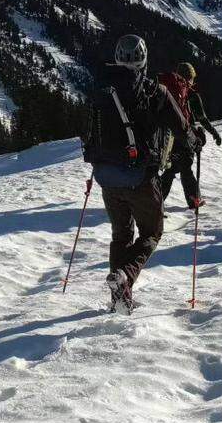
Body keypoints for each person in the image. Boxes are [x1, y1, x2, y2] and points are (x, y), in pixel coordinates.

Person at [82, 34, 193, 310]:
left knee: (121, 236)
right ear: (144, 61)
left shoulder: (102, 89)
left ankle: (119, 299)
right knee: (152, 233)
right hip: (140, 177)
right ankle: (125, 277)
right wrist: (195, 141)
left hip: (107, 177)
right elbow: (182, 129)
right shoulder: (155, 92)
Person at [159, 61, 222, 208]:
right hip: (184, 136)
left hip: (167, 137)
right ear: (190, 78)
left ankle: (156, 202)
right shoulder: (191, 95)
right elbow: (202, 118)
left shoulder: (167, 90)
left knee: (170, 169)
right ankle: (194, 200)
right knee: (185, 167)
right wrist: (214, 133)